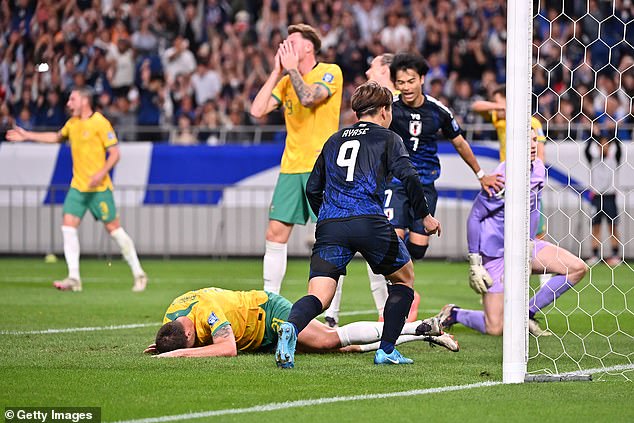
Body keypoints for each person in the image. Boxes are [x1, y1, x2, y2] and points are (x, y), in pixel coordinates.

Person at [275, 81, 442, 369]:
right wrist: (425, 216)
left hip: (331, 225)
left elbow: (313, 188)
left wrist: (327, 216)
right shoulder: (389, 138)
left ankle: (291, 327)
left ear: (357, 113)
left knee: (319, 296)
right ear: (385, 111)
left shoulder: (334, 140)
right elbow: (411, 177)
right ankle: (387, 350)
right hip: (369, 221)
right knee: (403, 279)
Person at [434, 130, 588, 336]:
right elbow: (475, 217)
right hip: (496, 254)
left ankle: (527, 313)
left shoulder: (539, 169)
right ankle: (454, 314)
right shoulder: (501, 178)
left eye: (535, 140)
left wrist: (530, 241)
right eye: (527, 140)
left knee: (576, 268)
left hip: (525, 247)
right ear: (515, 145)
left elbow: (534, 207)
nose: (533, 145)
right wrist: (475, 262)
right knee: (495, 328)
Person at [6, 88, 147, 292]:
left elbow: (115, 153)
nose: (68, 103)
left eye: (72, 99)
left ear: (84, 100)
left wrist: (101, 173)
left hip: (99, 188)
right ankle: (74, 278)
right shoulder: (72, 124)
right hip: (78, 187)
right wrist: (27, 135)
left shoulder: (100, 122)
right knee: (68, 226)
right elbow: (56, 137)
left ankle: (139, 273)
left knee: (114, 230)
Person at [324, 52, 420, 328]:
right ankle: (342, 315)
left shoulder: (396, 105)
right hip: (372, 192)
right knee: (381, 253)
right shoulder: (375, 102)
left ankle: (384, 311)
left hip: (389, 187)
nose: (368, 71)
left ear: (388, 71)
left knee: (382, 255)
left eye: (374, 67)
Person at [250, 24, 343, 296]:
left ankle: (331, 312)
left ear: (308, 47)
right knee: (275, 233)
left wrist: (290, 70)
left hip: (322, 166)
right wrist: (277, 71)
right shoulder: (285, 79)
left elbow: (308, 98)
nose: (284, 46)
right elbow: (257, 110)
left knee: (329, 237)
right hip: (291, 167)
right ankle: (271, 299)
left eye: (291, 41)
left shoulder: (330, 71)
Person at [385, 53, 502, 264]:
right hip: (396, 181)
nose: (406, 87)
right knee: (393, 242)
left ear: (421, 79)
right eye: (401, 82)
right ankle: (400, 290)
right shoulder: (389, 107)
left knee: (418, 249)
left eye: (411, 81)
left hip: (424, 182)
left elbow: (460, 143)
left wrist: (481, 175)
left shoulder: (438, 111)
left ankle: (400, 274)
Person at [144, 287, 458, 357]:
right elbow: (178, 338)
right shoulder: (172, 318)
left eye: (192, 340)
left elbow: (227, 348)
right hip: (257, 335)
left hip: (269, 314)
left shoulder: (206, 311)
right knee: (339, 350)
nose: (196, 342)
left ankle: (416, 327)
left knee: (330, 340)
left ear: (188, 329)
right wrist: (163, 347)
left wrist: (178, 353)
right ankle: (424, 333)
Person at [472, 85, 550, 284]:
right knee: (501, 228)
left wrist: (536, 176)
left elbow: (540, 150)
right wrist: (500, 107)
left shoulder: (532, 122)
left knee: (536, 230)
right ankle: (497, 278)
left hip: (527, 179)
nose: (496, 109)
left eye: (499, 102)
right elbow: (476, 106)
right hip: (506, 178)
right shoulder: (501, 118)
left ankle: (542, 282)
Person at [584, 134, 623, 267]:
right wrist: (593, 134)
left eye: (606, 144)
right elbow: (586, 149)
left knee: (613, 227)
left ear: (609, 146)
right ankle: (595, 255)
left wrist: (613, 130)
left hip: (610, 198)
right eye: (600, 145)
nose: (603, 147)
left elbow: (619, 147)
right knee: (596, 227)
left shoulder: (614, 160)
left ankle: (615, 255)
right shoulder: (593, 160)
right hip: (596, 198)